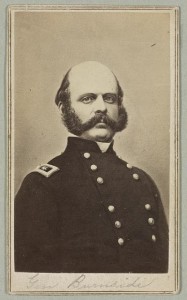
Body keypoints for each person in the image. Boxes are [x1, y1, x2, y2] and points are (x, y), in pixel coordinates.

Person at [14, 61, 168, 273]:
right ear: (64, 107)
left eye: (109, 98)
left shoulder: (143, 182)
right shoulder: (42, 185)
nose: (102, 107)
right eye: (88, 99)